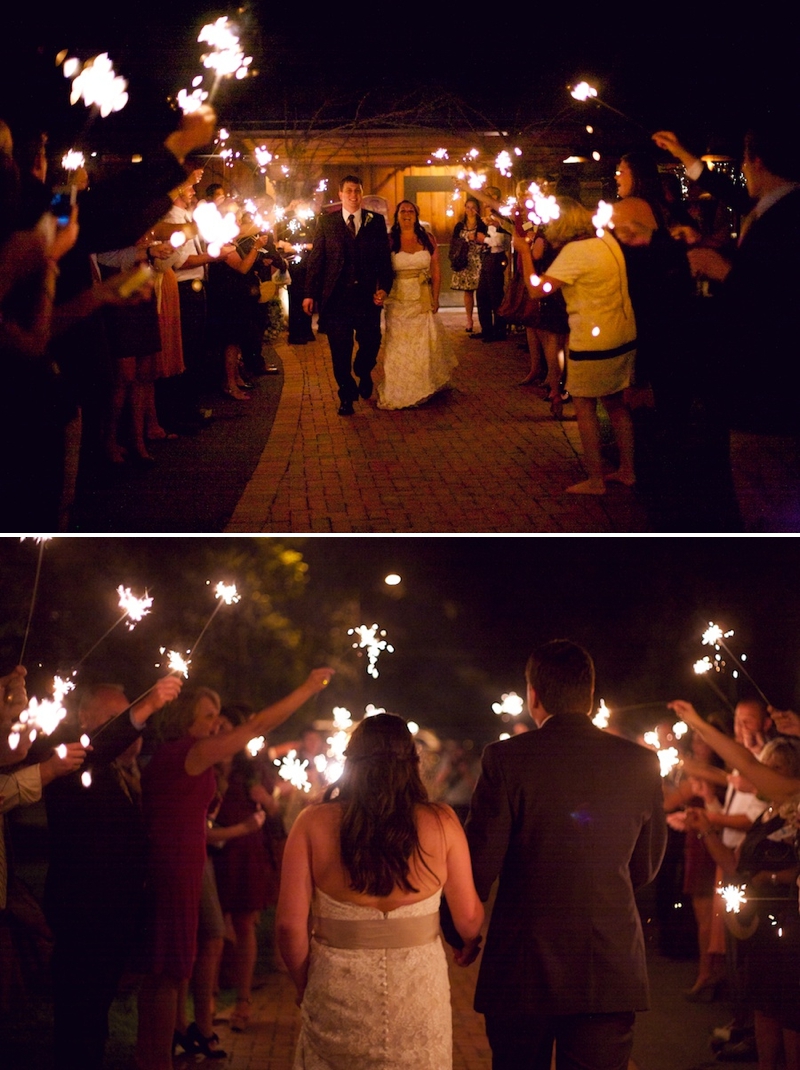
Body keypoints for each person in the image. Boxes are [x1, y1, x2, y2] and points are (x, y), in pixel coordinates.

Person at [464, 639, 666, 1070]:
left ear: (533, 694)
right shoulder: (642, 763)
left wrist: (458, 927)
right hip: (606, 962)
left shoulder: (506, 759)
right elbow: (645, 867)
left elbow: (479, 865)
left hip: (523, 966)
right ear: (590, 694)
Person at [136, 666, 333, 1070]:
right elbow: (259, 723)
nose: (216, 723)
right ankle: (152, 1061)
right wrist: (308, 687)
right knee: (165, 969)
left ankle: (157, 1058)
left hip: (185, 865)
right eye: (208, 715)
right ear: (186, 718)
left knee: (172, 969)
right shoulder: (188, 752)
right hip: (173, 867)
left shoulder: (190, 755)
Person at [276, 712, 484, 1070]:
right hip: (418, 997)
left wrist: (304, 984)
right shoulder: (442, 822)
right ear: (412, 763)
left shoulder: (312, 823)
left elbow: (289, 926)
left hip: (337, 992)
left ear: (351, 761)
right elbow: (468, 920)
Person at [652, 121, 800, 531]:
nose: (744, 173)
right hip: (761, 387)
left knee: (766, 499)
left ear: (756, 160)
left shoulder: (787, 218)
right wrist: (684, 156)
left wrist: (723, 272)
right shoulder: (775, 203)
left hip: (770, 391)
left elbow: (780, 299)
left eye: (745, 161)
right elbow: (736, 195)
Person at [513, 198, 638, 494]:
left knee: (584, 406)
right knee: (616, 404)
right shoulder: (604, 238)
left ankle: (596, 479)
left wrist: (524, 254)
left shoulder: (575, 251)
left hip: (594, 342)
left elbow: (536, 289)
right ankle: (627, 471)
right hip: (622, 334)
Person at [302, 175, 393, 416]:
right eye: (349, 191)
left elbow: (384, 260)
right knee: (339, 351)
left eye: (358, 191)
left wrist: (384, 287)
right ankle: (346, 394)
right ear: (340, 194)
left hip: (366, 299)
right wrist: (309, 293)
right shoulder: (326, 222)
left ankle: (363, 370)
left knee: (371, 344)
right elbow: (317, 260)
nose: (353, 195)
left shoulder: (376, 222)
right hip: (337, 299)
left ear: (362, 194)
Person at [377, 200, 457, 410]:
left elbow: (436, 269)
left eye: (411, 211)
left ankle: (423, 386)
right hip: (398, 301)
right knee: (398, 345)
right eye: (403, 211)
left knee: (423, 344)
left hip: (422, 298)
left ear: (416, 214)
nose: (407, 214)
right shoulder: (390, 241)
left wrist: (435, 297)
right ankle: (399, 388)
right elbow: (382, 270)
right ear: (397, 215)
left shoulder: (427, 239)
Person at [449, 197, 487, 332]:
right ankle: (469, 320)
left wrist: (477, 239)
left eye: (473, 207)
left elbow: (487, 241)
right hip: (465, 259)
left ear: (477, 210)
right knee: (468, 291)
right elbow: (454, 242)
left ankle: (485, 322)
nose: (470, 210)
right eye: (468, 207)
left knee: (482, 291)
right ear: (465, 209)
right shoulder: (459, 226)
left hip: (479, 259)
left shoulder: (482, 224)